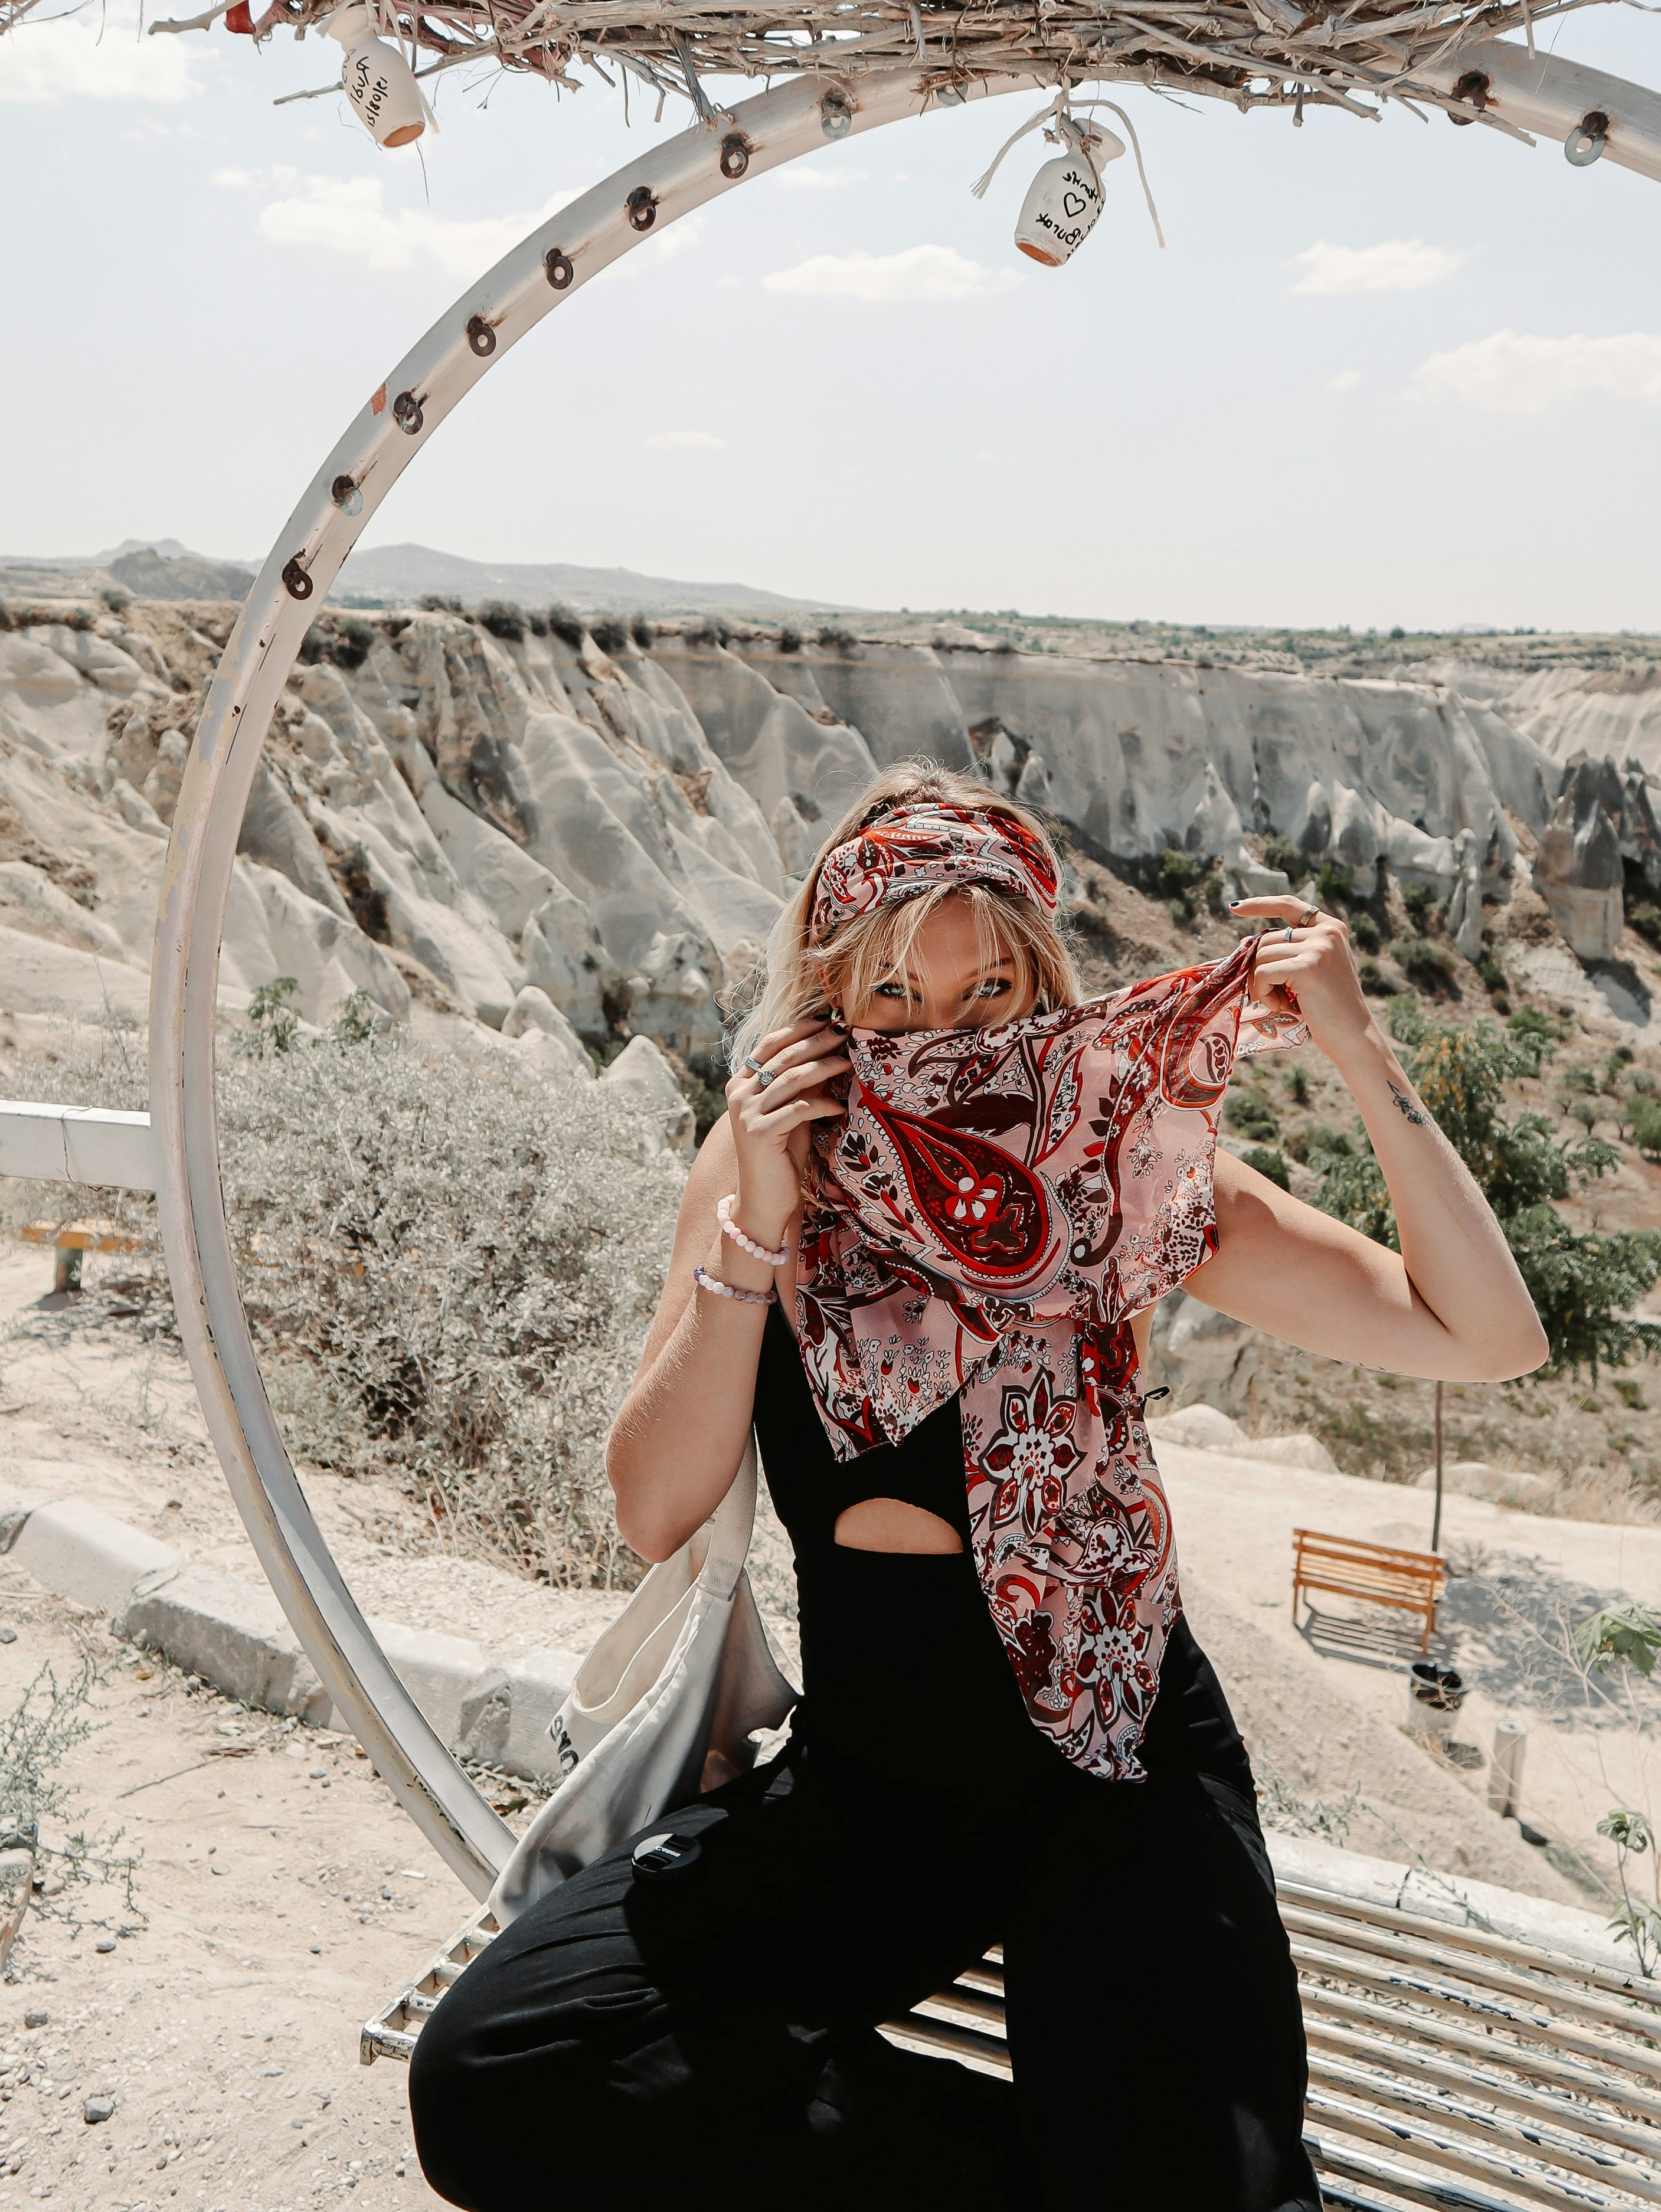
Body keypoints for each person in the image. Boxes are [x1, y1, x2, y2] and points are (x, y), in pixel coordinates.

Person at [409, 763, 1546, 2212]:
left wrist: (1361, 1052)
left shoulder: (1109, 1163)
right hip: (877, 1785)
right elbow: (652, 1504)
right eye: (891, 997)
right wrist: (757, 1229)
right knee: (492, 2081)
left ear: (1039, 992)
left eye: (985, 996)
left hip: (1118, 1764)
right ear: (830, 1000)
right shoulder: (771, 1160)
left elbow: (1487, 1336)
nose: (938, 1041)